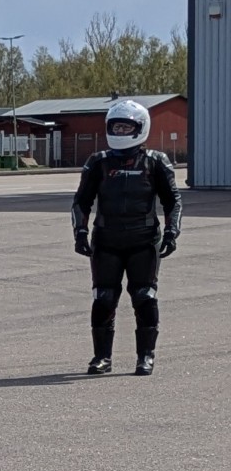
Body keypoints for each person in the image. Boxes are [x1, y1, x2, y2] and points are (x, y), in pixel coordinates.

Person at [71, 99, 180, 375]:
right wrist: (80, 232)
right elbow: (81, 201)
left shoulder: (156, 161)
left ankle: (146, 356)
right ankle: (101, 358)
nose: (120, 132)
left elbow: (173, 201)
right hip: (106, 240)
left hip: (144, 240)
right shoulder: (98, 161)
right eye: (116, 127)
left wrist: (172, 231)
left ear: (141, 128)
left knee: (145, 296)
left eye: (126, 127)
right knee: (103, 297)